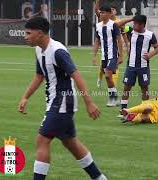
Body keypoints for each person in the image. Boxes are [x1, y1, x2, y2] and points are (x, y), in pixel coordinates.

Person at [18, 17, 107, 180]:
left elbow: (76, 75)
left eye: (28, 33)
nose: (25, 36)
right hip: (55, 101)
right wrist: (25, 97)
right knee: (70, 143)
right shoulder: (39, 50)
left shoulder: (57, 51)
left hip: (62, 101)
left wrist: (89, 102)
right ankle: (100, 178)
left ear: (40, 33)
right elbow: (39, 76)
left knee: (42, 140)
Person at [119, 15, 158, 117]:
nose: (134, 25)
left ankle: (145, 112)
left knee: (144, 88)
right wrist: (132, 18)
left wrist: (150, 54)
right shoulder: (130, 31)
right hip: (131, 66)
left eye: (136, 24)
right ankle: (123, 111)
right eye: (134, 23)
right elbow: (118, 24)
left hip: (143, 67)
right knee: (126, 88)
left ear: (142, 25)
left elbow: (157, 48)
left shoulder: (150, 35)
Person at [92, 5, 123, 107]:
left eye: (103, 12)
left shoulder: (113, 25)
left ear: (109, 14)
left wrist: (121, 56)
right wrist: (94, 56)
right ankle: (115, 98)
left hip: (112, 55)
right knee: (108, 78)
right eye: (100, 12)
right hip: (104, 56)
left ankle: (112, 98)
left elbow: (119, 40)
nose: (101, 14)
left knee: (108, 75)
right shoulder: (98, 26)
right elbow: (97, 41)